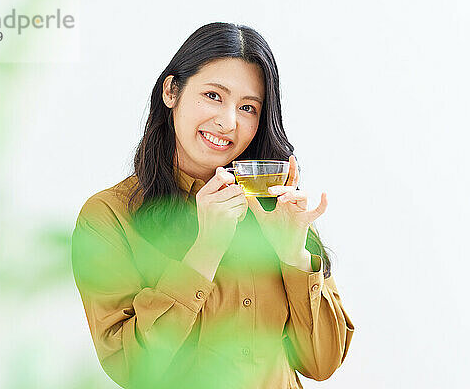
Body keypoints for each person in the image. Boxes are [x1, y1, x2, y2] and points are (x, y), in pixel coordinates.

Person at [71, 22, 354, 389]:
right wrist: (204, 251)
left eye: (248, 107)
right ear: (171, 91)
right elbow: (129, 368)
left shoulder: (275, 205)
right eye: (213, 96)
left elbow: (322, 363)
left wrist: (293, 256)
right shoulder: (108, 217)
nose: (228, 121)